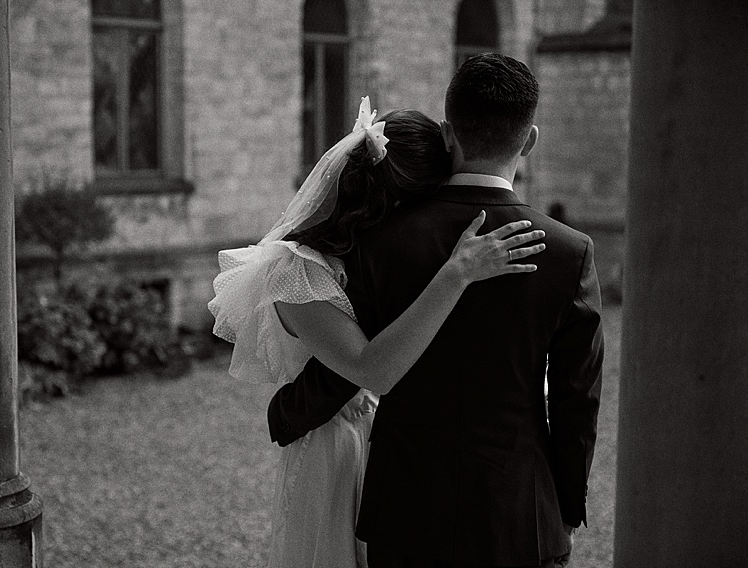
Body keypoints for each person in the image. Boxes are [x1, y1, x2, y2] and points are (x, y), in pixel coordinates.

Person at [268, 54, 604, 568]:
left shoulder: (375, 242)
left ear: (449, 134)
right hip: (518, 510)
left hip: (403, 510)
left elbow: (356, 360)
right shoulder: (567, 250)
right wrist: (565, 507)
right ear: (530, 140)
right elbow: (576, 401)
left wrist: (292, 410)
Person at [209, 96, 547, 568]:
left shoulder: (372, 261)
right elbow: (374, 369)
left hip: (391, 440)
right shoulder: (295, 272)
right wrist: (455, 275)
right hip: (335, 450)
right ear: (399, 199)